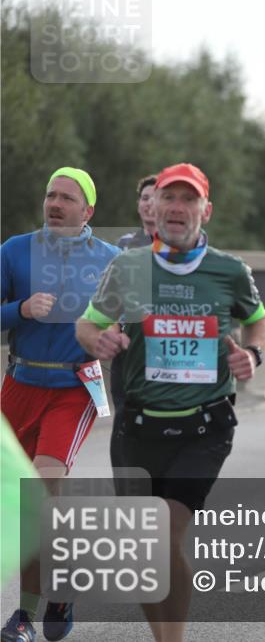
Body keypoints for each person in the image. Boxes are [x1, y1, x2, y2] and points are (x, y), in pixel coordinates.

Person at [76, 162, 265, 642]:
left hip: (204, 426)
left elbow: (258, 319)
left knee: (165, 535)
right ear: (153, 206)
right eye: (169, 197)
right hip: (137, 427)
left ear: (206, 210)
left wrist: (253, 353)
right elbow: (87, 323)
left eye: (188, 199)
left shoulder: (229, 272)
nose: (177, 208)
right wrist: (97, 342)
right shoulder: (127, 267)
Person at [1, 167, 119, 642]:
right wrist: (20, 310)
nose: (55, 203)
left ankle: (24, 616)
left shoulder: (111, 260)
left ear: (88, 210)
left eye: (67, 198)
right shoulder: (14, 250)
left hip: (74, 389)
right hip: (19, 383)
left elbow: (131, 323)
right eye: (50, 194)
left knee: (39, 493)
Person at [109, 174, 158, 465]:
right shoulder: (123, 244)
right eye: (144, 197)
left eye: (157, 197)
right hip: (128, 350)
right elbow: (110, 297)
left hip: (165, 348)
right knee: (125, 420)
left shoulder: (183, 245)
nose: (149, 203)